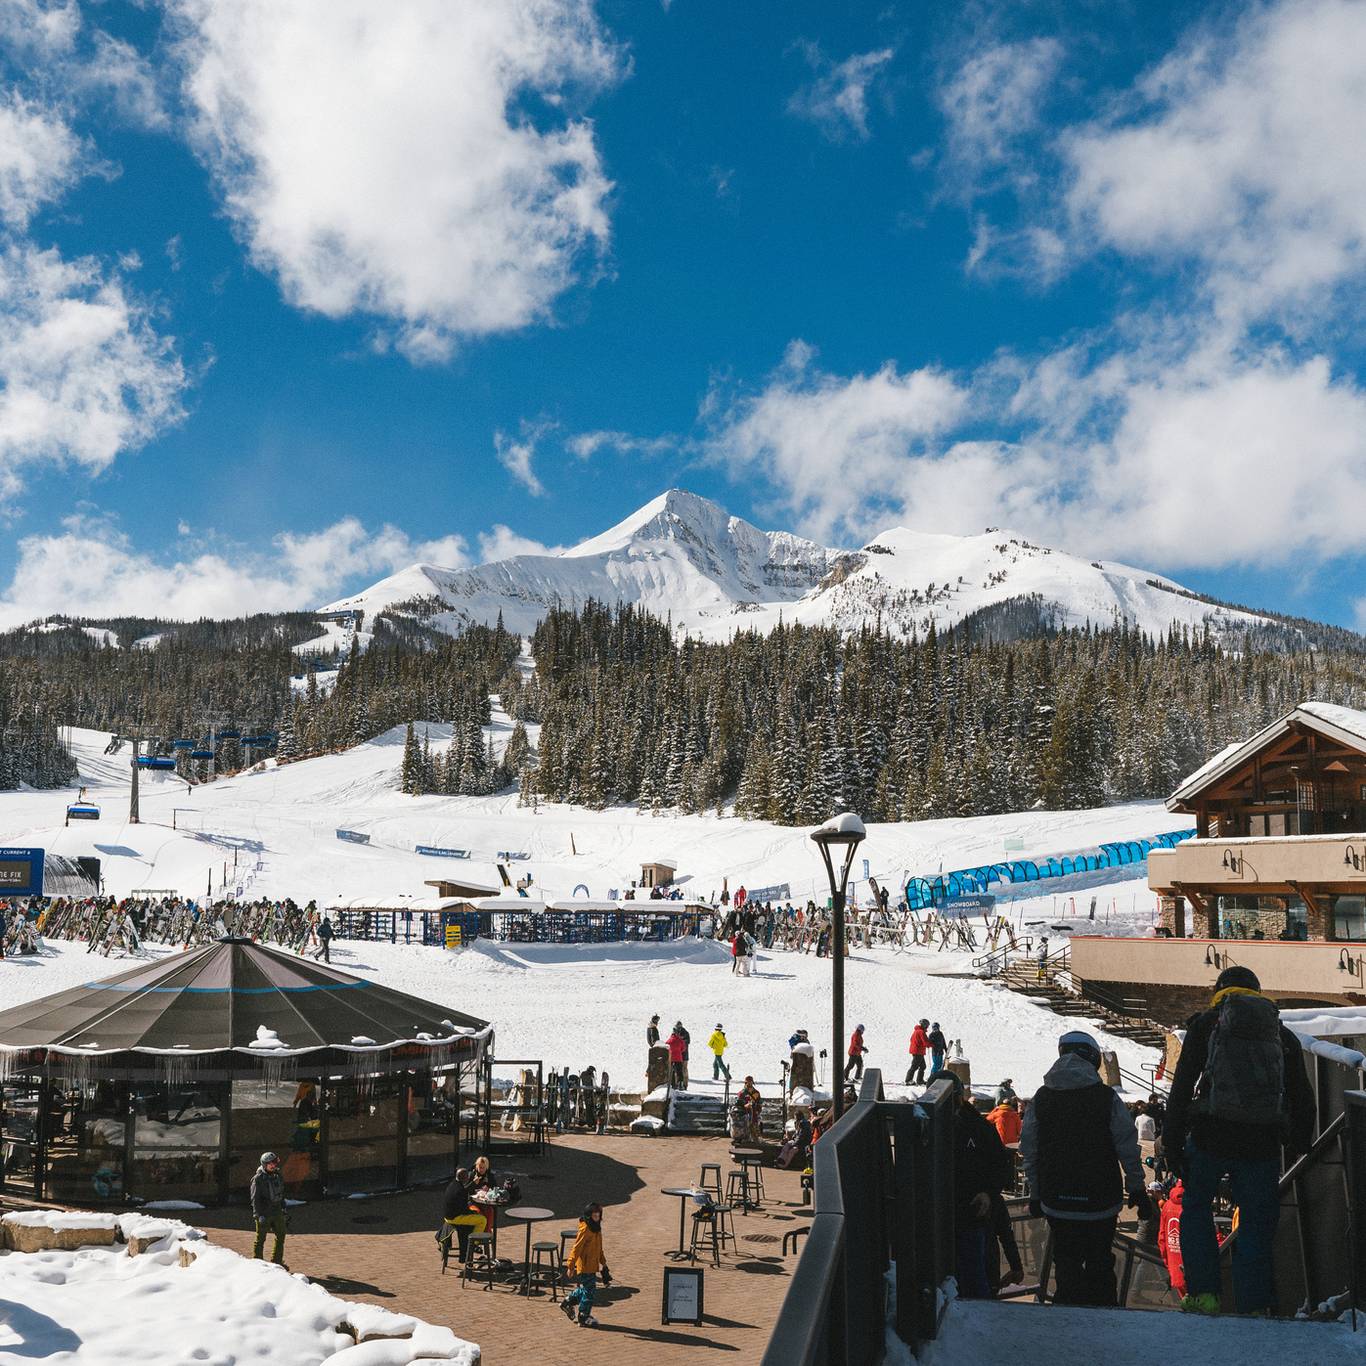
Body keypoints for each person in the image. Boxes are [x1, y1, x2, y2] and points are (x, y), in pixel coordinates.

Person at [1164, 964, 1314, 1316]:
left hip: (1210, 1138)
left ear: (1219, 990)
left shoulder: (1207, 1024)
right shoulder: (1279, 1032)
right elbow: (1302, 1094)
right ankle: (1252, 1304)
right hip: (1261, 1143)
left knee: (1196, 1209)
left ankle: (1205, 1295)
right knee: (1255, 1222)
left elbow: (1182, 1087)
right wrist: (1299, 1143)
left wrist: (1172, 1143)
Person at [1020, 1030, 1149, 1307]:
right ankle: (1105, 1318)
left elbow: (1029, 1149)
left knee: (1066, 1263)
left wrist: (1035, 1192)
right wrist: (1137, 1187)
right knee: (1100, 1263)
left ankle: (1068, 1317)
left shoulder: (1042, 1098)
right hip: (1101, 1199)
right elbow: (1127, 1146)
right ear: (1093, 1060)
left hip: (1057, 1199)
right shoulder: (1105, 1097)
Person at [946, 1073, 1014, 1298]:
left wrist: (988, 1192)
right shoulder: (923, 1126)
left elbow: (1001, 1166)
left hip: (971, 1216)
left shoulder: (978, 1127)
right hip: (938, 1217)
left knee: (973, 1279)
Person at [561, 1202, 613, 1327]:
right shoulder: (585, 1229)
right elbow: (576, 1248)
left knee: (587, 1289)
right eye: (595, 1216)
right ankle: (583, 1315)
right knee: (590, 1291)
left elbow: (599, 1248)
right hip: (585, 1265)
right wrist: (570, 1265)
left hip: (593, 1265)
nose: (597, 1218)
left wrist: (604, 1263)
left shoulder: (597, 1229)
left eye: (598, 1216)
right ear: (589, 1216)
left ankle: (568, 1302)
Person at [250, 1151, 288, 1266]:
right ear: (264, 1164)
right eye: (270, 1163)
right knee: (260, 1239)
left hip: (277, 1211)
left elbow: (281, 1193)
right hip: (264, 1213)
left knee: (281, 1235)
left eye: (274, 1162)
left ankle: (277, 1261)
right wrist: (258, 1215)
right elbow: (254, 1199)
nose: (273, 1165)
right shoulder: (258, 1179)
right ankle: (258, 1263)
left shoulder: (278, 1176)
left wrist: (283, 1208)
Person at [440, 1167, 485, 1264]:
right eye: (467, 1177)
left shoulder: (453, 1185)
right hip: (456, 1218)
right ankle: (474, 1244)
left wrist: (473, 1184)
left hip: (447, 1217)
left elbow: (464, 1191)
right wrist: (474, 1213)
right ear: (465, 1178)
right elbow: (464, 1209)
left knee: (475, 1214)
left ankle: (472, 1244)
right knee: (482, 1219)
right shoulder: (460, 1190)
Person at [906, 1019, 929, 1086]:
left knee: (923, 1066)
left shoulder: (916, 1031)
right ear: (924, 1025)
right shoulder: (921, 1032)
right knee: (914, 1066)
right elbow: (925, 1042)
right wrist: (931, 1044)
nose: (927, 1027)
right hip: (918, 1051)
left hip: (917, 1051)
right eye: (927, 1025)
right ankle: (908, 1080)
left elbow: (911, 1039)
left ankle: (920, 1080)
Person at [666, 1023, 688, 1090]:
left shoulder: (669, 1041)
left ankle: (673, 1085)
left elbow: (666, 1048)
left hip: (671, 1059)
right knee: (679, 1071)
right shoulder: (680, 1040)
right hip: (679, 1058)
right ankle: (680, 1084)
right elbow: (683, 1048)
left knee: (672, 1072)